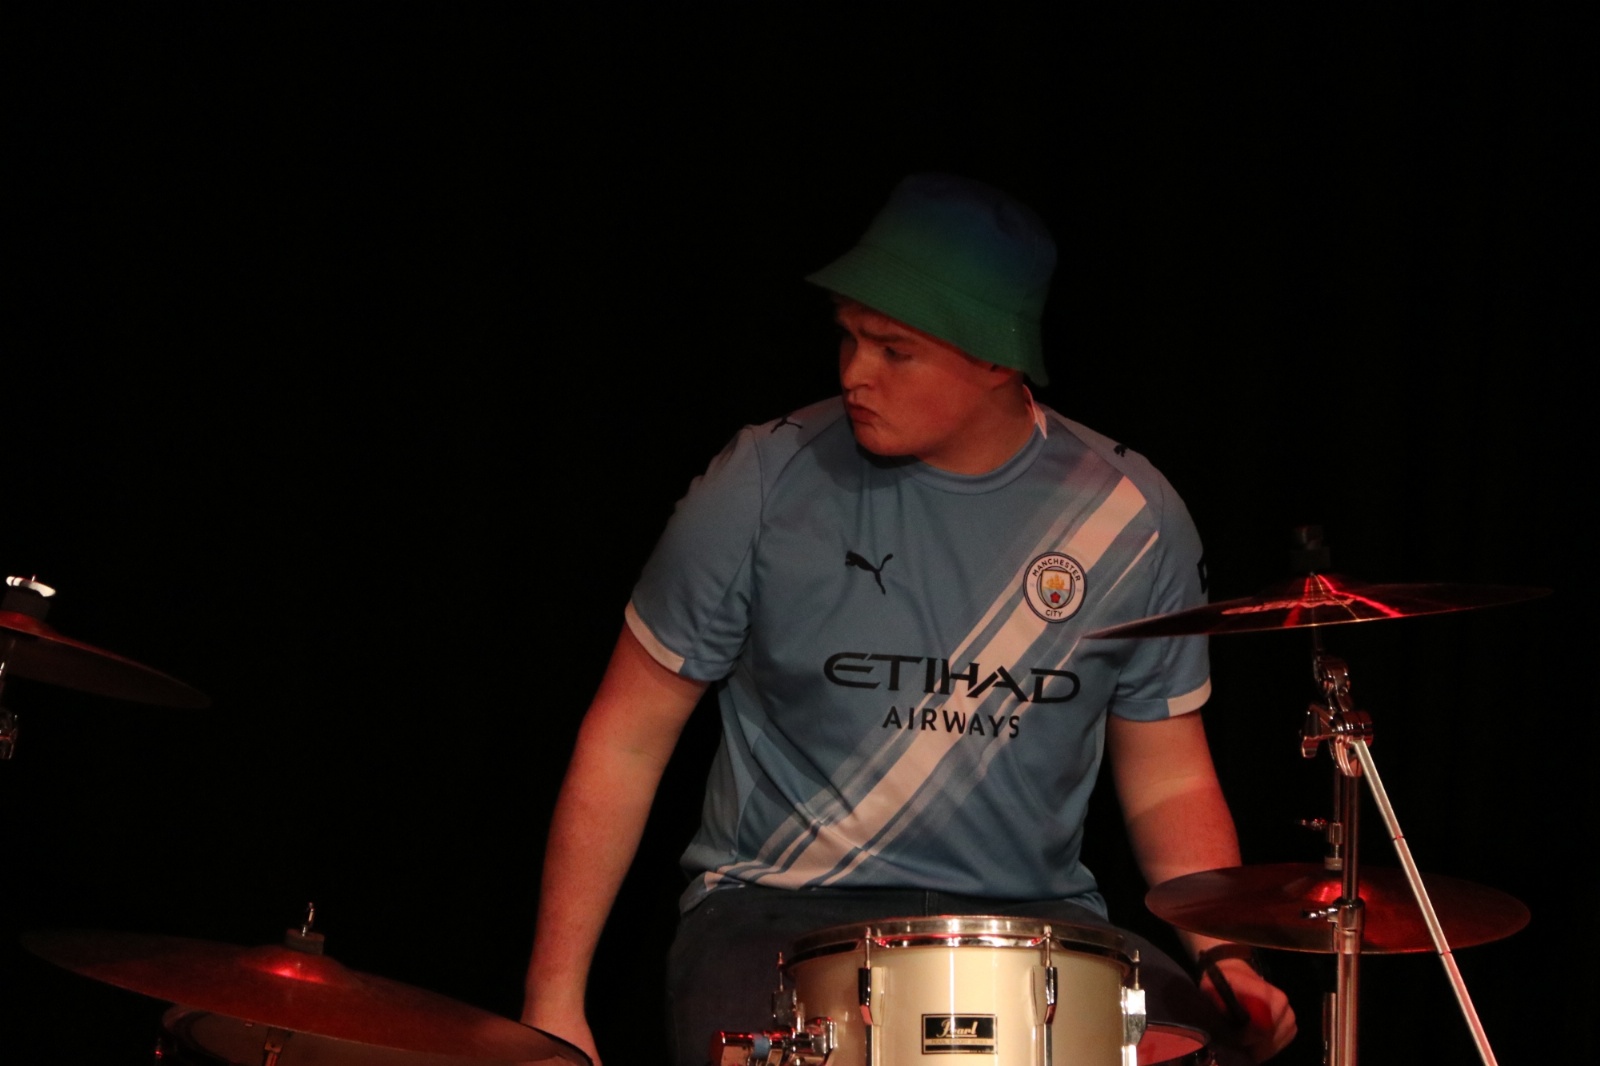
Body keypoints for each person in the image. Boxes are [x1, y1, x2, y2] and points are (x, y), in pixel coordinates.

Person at [522, 173, 1297, 1066]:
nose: (854, 373)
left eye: (894, 350)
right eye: (848, 336)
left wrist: (1226, 957)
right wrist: (553, 1000)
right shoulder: (761, 483)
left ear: (999, 360)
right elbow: (626, 739)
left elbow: (1169, 778)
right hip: (778, 914)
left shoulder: (1131, 517)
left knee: (1206, 1047)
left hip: (1032, 925)